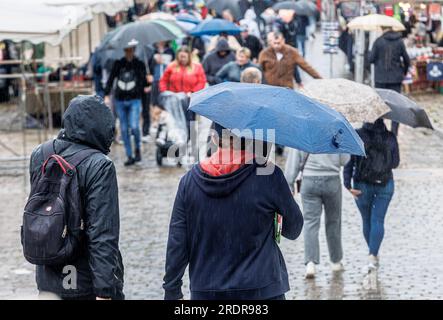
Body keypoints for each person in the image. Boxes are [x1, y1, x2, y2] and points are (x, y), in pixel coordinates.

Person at [163, 123, 304, 300]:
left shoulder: (188, 183)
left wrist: (172, 290)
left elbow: (177, 242)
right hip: (261, 289)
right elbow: (294, 229)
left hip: (207, 291)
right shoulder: (268, 177)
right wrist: (279, 202)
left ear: (214, 138)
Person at [29, 95, 124, 300]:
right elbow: (102, 232)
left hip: (49, 278)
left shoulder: (40, 154)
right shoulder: (100, 165)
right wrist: (105, 291)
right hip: (86, 280)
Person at [343, 119, 400, 272]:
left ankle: (372, 253)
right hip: (385, 184)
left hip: (362, 185)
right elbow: (395, 163)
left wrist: (347, 184)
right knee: (378, 220)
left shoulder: (357, 135)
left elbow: (349, 162)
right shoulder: (390, 137)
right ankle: (373, 254)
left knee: (367, 220)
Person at [285, 149, 350, 279]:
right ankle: (336, 261)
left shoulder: (304, 130)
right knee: (333, 221)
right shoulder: (336, 131)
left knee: (310, 222)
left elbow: (293, 162)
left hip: (309, 181)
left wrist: (289, 183)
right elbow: (344, 160)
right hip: (332, 180)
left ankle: (310, 263)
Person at [104, 39, 148, 166]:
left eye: (130, 50)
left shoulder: (139, 63)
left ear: (133, 50)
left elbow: (143, 83)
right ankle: (129, 155)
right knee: (124, 129)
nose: (128, 52)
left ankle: (138, 149)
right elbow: (111, 78)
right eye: (126, 50)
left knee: (134, 126)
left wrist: (148, 80)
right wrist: (106, 93)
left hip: (135, 99)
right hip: (120, 100)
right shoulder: (119, 63)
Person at [159, 47, 207, 153]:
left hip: (190, 100)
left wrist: (193, 92)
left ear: (189, 56)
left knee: (189, 123)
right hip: (174, 101)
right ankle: (173, 141)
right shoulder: (172, 66)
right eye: (180, 57)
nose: (182, 59)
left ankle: (188, 142)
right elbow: (163, 80)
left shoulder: (196, 67)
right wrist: (165, 92)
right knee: (173, 122)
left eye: (184, 57)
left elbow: (201, 81)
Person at [369, 27, 410, 136]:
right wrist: (404, 72)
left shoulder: (378, 41)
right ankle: (394, 132)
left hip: (380, 79)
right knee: (396, 106)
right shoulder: (400, 41)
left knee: (380, 105)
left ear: (383, 29)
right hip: (396, 78)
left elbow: (371, 59)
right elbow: (407, 60)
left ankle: (380, 129)